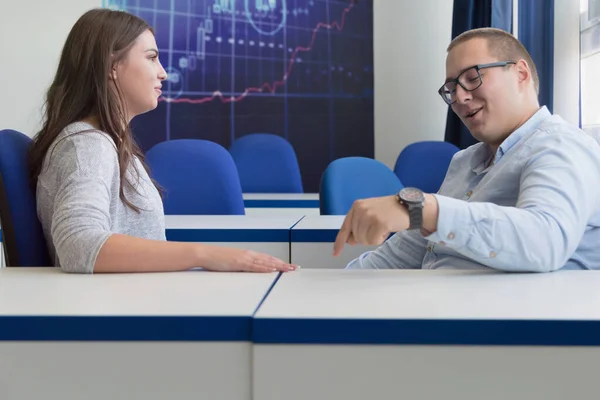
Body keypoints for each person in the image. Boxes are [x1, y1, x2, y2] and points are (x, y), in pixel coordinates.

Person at [28, 8, 297, 274]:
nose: (163, 73)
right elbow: (80, 246)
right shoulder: (87, 146)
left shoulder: (108, 144)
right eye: (152, 58)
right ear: (111, 67)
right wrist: (204, 254)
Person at [335, 27, 600, 272]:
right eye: (451, 89)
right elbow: (410, 250)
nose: (460, 98)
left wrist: (422, 209)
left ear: (520, 74)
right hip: (436, 307)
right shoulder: (465, 160)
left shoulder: (561, 145)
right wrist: (328, 288)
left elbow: (545, 241)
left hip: (502, 318)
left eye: (473, 78)